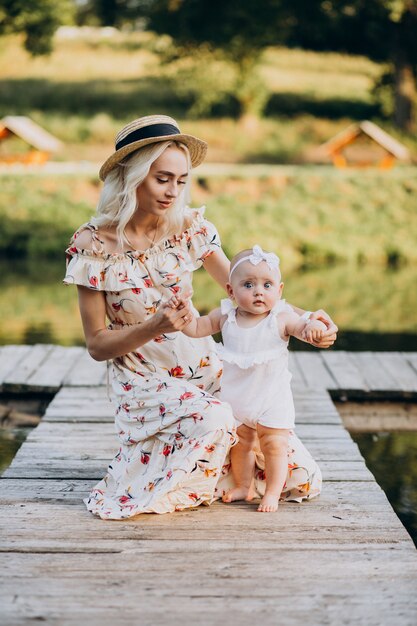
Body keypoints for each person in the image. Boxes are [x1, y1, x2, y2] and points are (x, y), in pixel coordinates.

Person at [63, 114, 337, 519]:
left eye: (181, 180)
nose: (173, 191)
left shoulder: (190, 228)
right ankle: (179, 472)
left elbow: (249, 296)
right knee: (217, 416)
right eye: (162, 179)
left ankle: (209, 472)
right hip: (143, 378)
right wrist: (154, 326)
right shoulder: (93, 246)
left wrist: (309, 319)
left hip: (207, 369)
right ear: (132, 175)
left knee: (298, 474)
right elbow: (97, 346)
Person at [168, 245, 326, 512]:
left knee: (274, 446)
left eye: (267, 285)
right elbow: (197, 328)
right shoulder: (226, 316)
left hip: (271, 399)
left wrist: (314, 326)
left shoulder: (281, 318)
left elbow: (302, 326)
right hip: (238, 397)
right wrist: (183, 317)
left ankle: (273, 493)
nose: (258, 292)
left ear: (279, 290)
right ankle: (244, 486)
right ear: (231, 291)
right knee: (241, 445)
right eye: (249, 285)